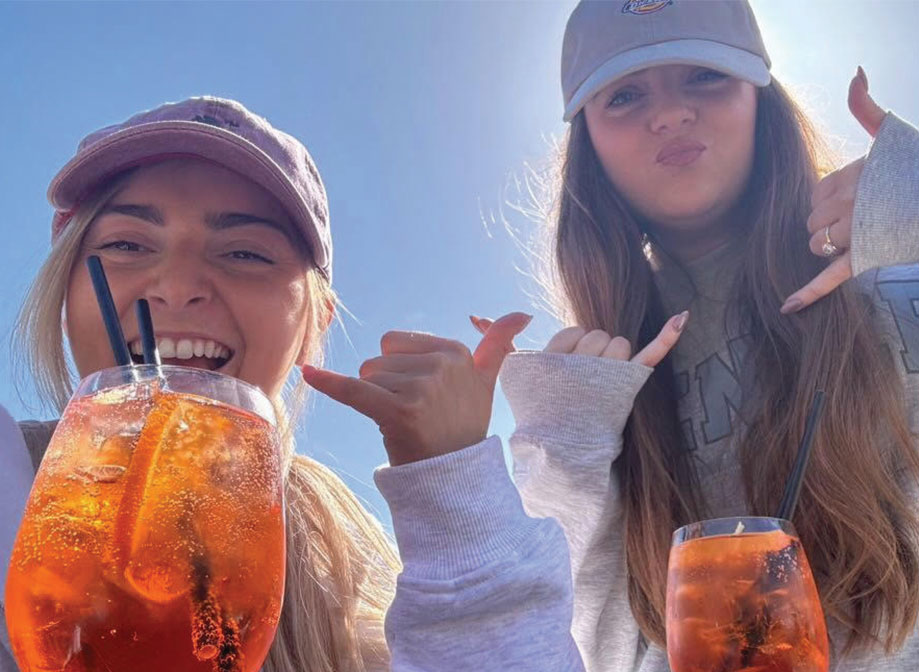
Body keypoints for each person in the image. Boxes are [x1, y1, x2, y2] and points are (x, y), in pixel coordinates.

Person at [0, 97, 584, 672]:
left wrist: (452, 489)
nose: (176, 286)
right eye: (125, 244)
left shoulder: (342, 574)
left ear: (315, 323)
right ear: (66, 289)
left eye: (245, 252)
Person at [486, 1, 919, 671]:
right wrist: (563, 455)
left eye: (703, 76)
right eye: (624, 94)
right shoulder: (597, 381)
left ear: (760, 99)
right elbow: (593, 654)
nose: (667, 114)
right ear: (588, 146)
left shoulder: (897, 255)